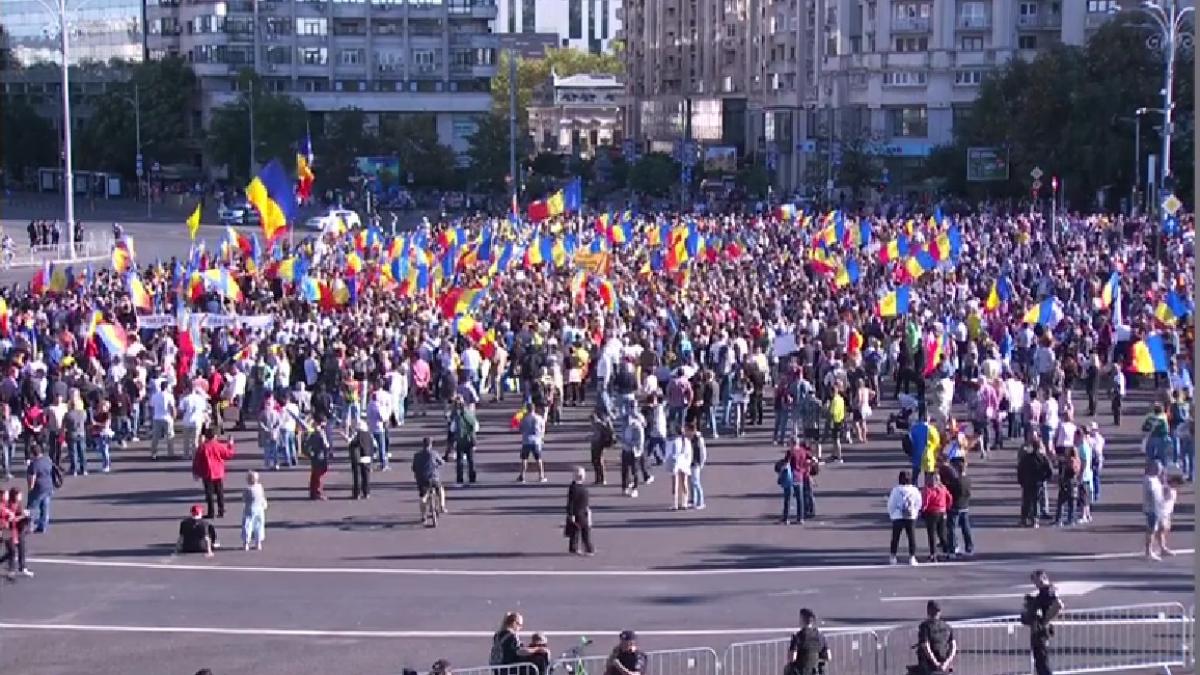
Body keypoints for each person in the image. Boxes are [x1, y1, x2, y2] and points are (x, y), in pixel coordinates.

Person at [1022, 570, 1063, 675]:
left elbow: (1058, 605)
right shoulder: (1043, 592)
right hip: (1038, 629)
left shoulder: (1048, 590)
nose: (1035, 584)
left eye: (1035, 580)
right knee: (1039, 661)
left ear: (1042, 578)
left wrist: (1045, 620)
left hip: (1041, 630)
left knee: (1042, 662)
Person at [192, 427, 235, 519]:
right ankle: (221, 510)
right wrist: (230, 445)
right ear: (215, 436)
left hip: (207, 473)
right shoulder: (219, 446)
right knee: (220, 492)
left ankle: (211, 512)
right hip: (218, 472)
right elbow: (228, 454)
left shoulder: (203, 447)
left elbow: (197, 460)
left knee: (209, 494)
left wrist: (195, 472)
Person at [887, 470, 922, 565]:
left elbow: (891, 504)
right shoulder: (914, 490)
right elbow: (918, 502)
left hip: (897, 516)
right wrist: (915, 512)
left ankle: (893, 556)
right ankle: (912, 557)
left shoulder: (896, 490)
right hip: (911, 516)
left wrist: (892, 514)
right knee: (911, 537)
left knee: (895, 537)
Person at [784, 607, 830, 675]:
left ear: (802, 620)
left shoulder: (797, 637)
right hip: (815, 672)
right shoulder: (820, 636)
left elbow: (792, 658)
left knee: (787, 668)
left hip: (800, 671)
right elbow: (828, 656)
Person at [915, 600, 956, 674]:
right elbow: (953, 647)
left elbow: (925, 646)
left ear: (928, 611)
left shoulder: (925, 626)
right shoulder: (947, 626)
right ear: (939, 612)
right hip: (945, 663)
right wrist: (946, 663)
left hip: (929, 664)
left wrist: (936, 663)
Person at [0, 487, 32, 578]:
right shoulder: (7, 505)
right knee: (12, 550)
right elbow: (11, 518)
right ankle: (12, 569)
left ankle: (19, 568)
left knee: (16, 549)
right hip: (8, 529)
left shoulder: (14, 504)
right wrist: (22, 516)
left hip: (16, 530)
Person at [413, 437, 445, 526]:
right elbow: (442, 462)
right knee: (440, 489)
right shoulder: (434, 454)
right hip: (434, 478)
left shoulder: (417, 455)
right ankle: (442, 506)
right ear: (430, 445)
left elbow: (414, 468)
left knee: (423, 497)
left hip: (422, 480)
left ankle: (423, 516)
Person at [920, 472, 952, 562]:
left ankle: (933, 554)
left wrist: (922, 510)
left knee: (932, 534)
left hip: (931, 513)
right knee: (942, 533)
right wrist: (947, 507)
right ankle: (947, 552)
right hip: (942, 512)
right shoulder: (943, 488)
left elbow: (925, 502)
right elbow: (949, 498)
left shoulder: (928, 489)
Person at [447, 396, 479, 486]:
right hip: (470, 440)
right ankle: (472, 477)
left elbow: (452, 429)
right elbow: (476, 427)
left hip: (460, 440)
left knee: (460, 460)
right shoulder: (470, 414)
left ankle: (460, 478)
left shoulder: (456, 417)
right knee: (471, 460)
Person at [26, 443, 55, 533]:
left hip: (38, 488)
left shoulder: (34, 464)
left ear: (32, 453)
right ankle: (43, 526)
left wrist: (30, 488)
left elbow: (32, 478)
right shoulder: (47, 460)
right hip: (48, 486)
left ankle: (29, 526)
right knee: (45, 507)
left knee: (31, 507)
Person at [565, 466, 594, 555]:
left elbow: (571, 502)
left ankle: (574, 548)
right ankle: (588, 548)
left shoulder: (575, 487)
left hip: (579, 512)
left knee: (576, 531)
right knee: (584, 532)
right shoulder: (579, 488)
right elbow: (572, 502)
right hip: (580, 512)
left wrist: (570, 514)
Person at [518, 404, 547, 483]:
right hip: (536, 441)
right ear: (534, 409)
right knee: (538, 459)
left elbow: (520, 429)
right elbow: (543, 428)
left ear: (527, 409)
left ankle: (522, 476)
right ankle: (541, 476)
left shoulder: (524, 418)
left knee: (524, 459)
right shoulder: (539, 418)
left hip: (526, 440)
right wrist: (542, 437)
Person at [148, 380, 176, 460]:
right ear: (167, 387)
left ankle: (153, 453)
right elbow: (172, 407)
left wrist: (152, 416)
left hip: (157, 417)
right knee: (170, 436)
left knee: (155, 437)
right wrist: (174, 416)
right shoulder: (170, 396)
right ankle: (170, 453)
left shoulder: (155, 395)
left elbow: (152, 407)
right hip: (167, 417)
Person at [347, 420, 375, 499]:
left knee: (357, 476)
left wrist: (349, 440)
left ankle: (357, 493)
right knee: (366, 476)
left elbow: (353, 444)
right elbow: (373, 446)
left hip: (359, 457)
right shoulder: (369, 435)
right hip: (368, 457)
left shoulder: (358, 435)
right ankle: (366, 492)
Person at [241, 470, 268, 551]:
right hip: (260, 509)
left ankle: (246, 543)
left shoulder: (247, 489)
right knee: (259, 525)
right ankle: (258, 543)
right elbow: (262, 496)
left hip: (249, 509)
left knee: (247, 525)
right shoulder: (260, 487)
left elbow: (244, 499)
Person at [305, 423, 332, 500]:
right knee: (319, 476)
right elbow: (325, 446)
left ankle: (313, 493)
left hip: (314, 456)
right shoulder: (321, 435)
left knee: (314, 475)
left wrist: (310, 454)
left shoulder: (312, 435)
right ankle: (318, 492)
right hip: (321, 456)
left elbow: (306, 446)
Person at [684, 422, 707, 509]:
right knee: (691, 483)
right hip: (689, 463)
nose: (685, 432)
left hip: (696, 463)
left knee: (696, 482)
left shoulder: (698, 439)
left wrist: (701, 463)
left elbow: (703, 453)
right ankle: (693, 500)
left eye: (687, 430)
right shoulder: (688, 439)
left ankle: (701, 502)